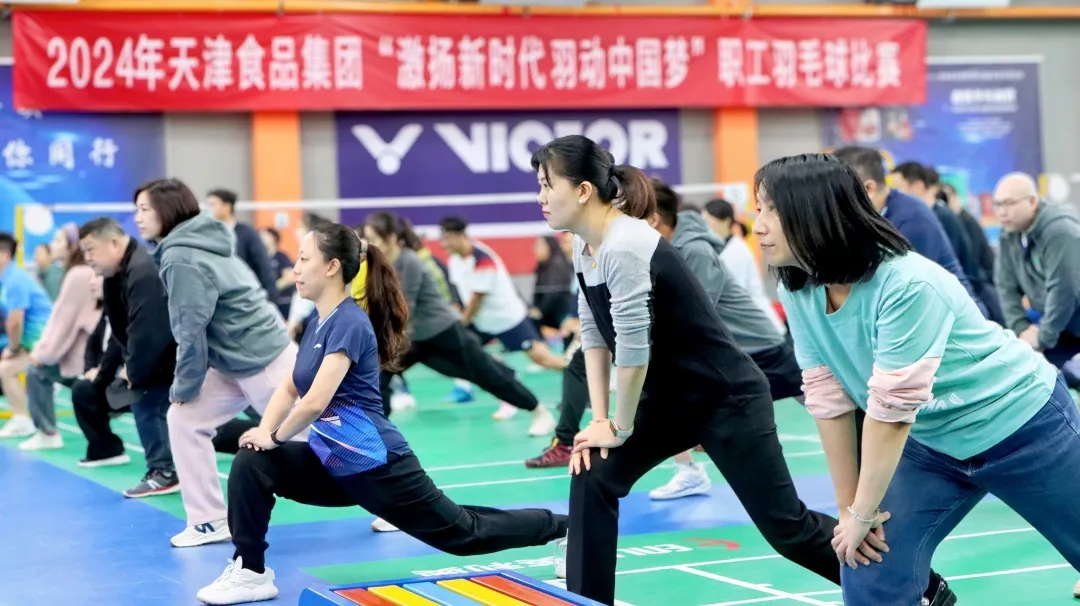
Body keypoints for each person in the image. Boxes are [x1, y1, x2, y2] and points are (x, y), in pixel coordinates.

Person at [755, 153, 1079, 604]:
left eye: (771, 210)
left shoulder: (907, 282)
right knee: (866, 565)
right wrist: (851, 513)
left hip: (1022, 426)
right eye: (758, 209)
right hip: (932, 445)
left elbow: (890, 414)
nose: (758, 225)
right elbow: (828, 396)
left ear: (815, 211)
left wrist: (863, 512)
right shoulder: (797, 287)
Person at [531, 135, 840, 606]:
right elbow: (593, 333)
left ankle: (913, 584)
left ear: (583, 191)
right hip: (671, 402)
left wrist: (619, 427)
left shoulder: (626, 244)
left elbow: (633, 350)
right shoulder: (583, 244)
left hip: (727, 398)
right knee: (592, 472)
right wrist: (599, 420)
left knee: (787, 528)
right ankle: (588, 601)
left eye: (546, 184)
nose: (540, 196)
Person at [194, 222, 568, 606]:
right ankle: (250, 571)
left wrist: (273, 436)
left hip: (378, 466)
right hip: (333, 464)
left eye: (304, 259)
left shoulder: (350, 322)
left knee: (463, 534)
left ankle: (565, 528)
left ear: (332, 267)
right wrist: (264, 430)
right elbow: (290, 387)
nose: (296, 269)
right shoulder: (317, 322)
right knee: (253, 462)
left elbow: (314, 402)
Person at [133, 178, 302, 548]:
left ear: (167, 210)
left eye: (145, 209)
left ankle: (395, 502)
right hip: (232, 362)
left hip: (263, 358)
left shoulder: (181, 256)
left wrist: (183, 386)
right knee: (185, 419)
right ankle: (208, 520)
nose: (138, 217)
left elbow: (190, 331)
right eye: (137, 210)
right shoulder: (198, 240)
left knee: (317, 439)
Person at [646, 180, 809, 500]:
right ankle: (690, 472)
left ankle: (879, 444)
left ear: (654, 219)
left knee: (821, 399)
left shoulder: (695, 251)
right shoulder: (667, 247)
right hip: (730, 348)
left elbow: (696, 313)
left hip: (759, 345)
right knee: (669, 397)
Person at [363, 211, 556, 436]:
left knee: (486, 376)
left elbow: (406, 309)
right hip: (417, 340)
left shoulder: (410, 261)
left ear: (391, 238)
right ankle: (377, 433)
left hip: (444, 333)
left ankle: (539, 411)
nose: (370, 245)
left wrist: (383, 339)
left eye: (374, 239)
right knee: (381, 374)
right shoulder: (386, 263)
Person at [76, 218, 180, 497]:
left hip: (173, 357)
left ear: (113, 243)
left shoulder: (143, 271)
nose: (87, 258)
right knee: (163, 413)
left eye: (90, 249)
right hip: (156, 358)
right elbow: (121, 328)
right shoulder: (116, 274)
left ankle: (164, 472)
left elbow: (148, 331)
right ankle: (163, 470)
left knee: (151, 406)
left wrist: (132, 371)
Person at [831, 146, 989, 319]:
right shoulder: (878, 214)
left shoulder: (910, 217)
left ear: (868, 188)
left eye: (839, 192)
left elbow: (910, 291)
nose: (835, 202)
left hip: (956, 320)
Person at [992, 172, 1080, 388]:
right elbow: (1005, 286)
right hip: (1059, 326)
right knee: (1043, 380)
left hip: (1067, 320)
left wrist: (1042, 338)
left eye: (1009, 203)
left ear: (1032, 201)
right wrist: (1021, 328)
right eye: (998, 204)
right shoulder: (1009, 233)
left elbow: (1064, 290)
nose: (1002, 211)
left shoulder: (1060, 231)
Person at [20, 223, 102, 451]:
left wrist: (42, 354)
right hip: (85, 352)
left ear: (72, 246)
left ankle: (48, 433)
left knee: (37, 371)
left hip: (86, 356)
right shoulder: (75, 272)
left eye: (58, 240)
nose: (53, 245)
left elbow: (64, 323)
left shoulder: (78, 274)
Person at [701, 198, 786, 332]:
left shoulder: (737, 251)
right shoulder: (721, 248)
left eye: (707, 221)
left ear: (725, 221)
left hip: (756, 321)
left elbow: (734, 291)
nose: (703, 226)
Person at [0, 232, 54, 439]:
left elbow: (15, 321)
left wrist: (13, 348)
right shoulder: (7, 278)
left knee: (6, 369)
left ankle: (23, 421)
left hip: (44, 339)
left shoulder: (15, 280)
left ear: (5, 255)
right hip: (32, 338)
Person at [207, 188, 278, 298]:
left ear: (227, 206)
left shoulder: (247, 233)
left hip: (246, 294)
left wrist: (271, 296)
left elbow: (263, 264)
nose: (209, 209)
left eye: (213, 204)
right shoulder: (210, 234)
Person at [259, 227, 295, 320]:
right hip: (266, 303)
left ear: (273, 238)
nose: (260, 237)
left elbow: (290, 277)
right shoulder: (261, 259)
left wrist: (272, 288)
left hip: (283, 303)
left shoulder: (281, 257)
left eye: (264, 235)